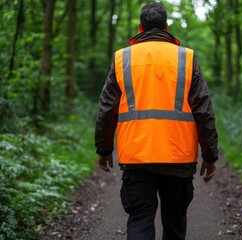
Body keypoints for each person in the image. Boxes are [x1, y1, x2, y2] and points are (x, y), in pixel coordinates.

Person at [94, 2, 219, 240]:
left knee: (140, 219)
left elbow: (107, 108)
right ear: (167, 26)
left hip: (137, 156)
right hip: (178, 156)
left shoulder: (122, 58)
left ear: (140, 27)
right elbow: (203, 110)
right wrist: (210, 155)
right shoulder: (187, 58)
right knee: (175, 221)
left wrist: (104, 149)